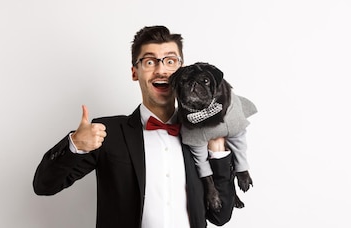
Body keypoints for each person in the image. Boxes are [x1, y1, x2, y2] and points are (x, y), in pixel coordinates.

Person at [32, 25, 237, 228]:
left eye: (170, 61)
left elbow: (220, 216)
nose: (161, 70)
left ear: (182, 71)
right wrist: (75, 145)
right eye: (149, 61)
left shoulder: (201, 135)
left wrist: (218, 148)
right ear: (134, 72)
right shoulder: (107, 132)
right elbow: (44, 185)